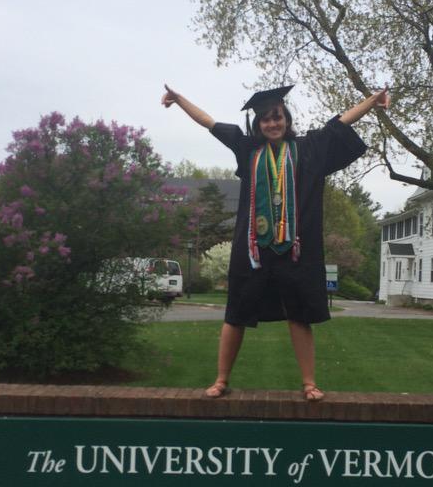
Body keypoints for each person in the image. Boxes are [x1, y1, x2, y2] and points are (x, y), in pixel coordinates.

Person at [161, 83, 389, 400]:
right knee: (235, 314)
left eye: (277, 117)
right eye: (266, 119)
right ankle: (221, 380)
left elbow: (340, 122)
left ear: (287, 119)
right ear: (258, 124)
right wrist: (179, 99)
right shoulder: (247, 149)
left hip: (294, 249)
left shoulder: (307, 148)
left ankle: (309, 383)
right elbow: (209, 122)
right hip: (253, 249)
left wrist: (373, 100)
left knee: (299, 315)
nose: (272, 123)